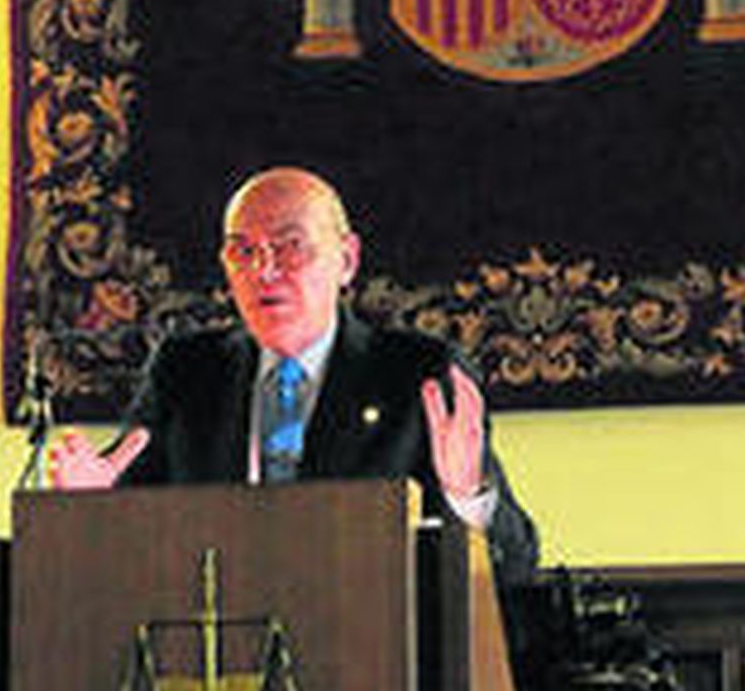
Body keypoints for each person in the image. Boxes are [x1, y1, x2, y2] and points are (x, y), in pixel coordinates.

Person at [47, 166, 539, 582]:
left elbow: (515, 566)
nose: (264, 271)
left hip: (376, 667)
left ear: (346, 260)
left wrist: (467, 497)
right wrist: (88, 511)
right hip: (214, 669)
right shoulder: (186, 372)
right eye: (243, 251)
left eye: (289, 247)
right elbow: (131, 538)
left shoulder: (416, 375)